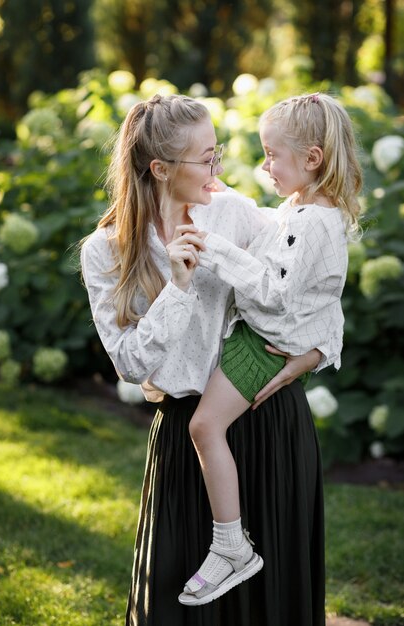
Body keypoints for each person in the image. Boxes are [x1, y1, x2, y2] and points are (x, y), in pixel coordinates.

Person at [80, 92, 325, 626]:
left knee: (270, 607)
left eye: (218, 151)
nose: (219, 167)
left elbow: (309, 283)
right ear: (161, 168)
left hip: (267, 422)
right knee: (175, 606)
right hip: (186, 435)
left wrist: (318, 351)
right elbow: (128, 363)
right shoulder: (106, 252)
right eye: (207, 157)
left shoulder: (235, 213)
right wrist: (179, 287)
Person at [179, 92, 363, 606]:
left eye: (272, 154)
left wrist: (213, 247)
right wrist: (228, 196)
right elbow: (276, 239)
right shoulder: (305, 209)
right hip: (265, 343)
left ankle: (230, 546)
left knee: (203, 425)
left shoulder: (313, 222)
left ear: (312, 159)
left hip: (263, 348)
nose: (266, 165)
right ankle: (230, 543)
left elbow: (277, 291)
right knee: (208, 426)